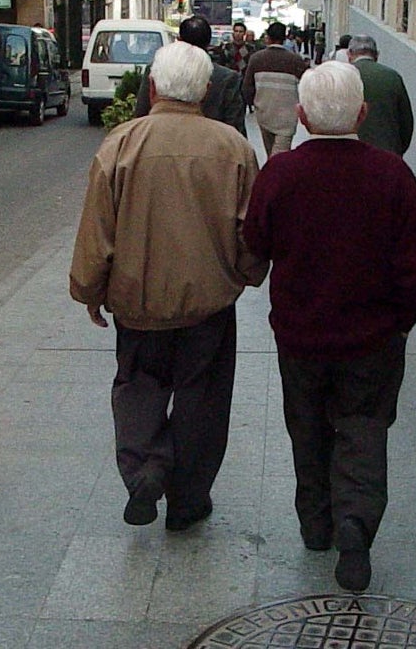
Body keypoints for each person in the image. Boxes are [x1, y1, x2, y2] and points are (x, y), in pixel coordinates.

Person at [244, 61, 416, 592]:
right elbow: (412, 269)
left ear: (301, 116)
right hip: (372, 339)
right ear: (364, 113)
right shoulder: (393, 175)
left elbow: (256, 242)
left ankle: (316, 524)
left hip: (301, 336)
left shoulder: (280, 174)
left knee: (307, 428)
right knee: (364, 429)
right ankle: (356, 522)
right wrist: (399, 324)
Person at [69, 41, 268, 532]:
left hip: (138, 302)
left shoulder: (120, 144)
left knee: (138, 386)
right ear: (203, 90)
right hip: (208, 304)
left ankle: (145, 470)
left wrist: (90, 289)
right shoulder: (233, 148)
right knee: (203, 397)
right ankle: (188, 499)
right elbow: (251, 231)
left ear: (153, 86)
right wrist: (246, 272)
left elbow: (98, 230)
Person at [134, 15, 246, 135]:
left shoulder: (156, 69)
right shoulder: (226, 78)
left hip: (160, 140)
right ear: (208, 43)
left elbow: (141, 112)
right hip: (211, 145)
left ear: (179, 39)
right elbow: (235, 126)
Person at [241, 21, 309, 159]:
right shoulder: (295, 60)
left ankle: (274, 177)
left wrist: (253, 103)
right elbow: (308, 84)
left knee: (271, 154)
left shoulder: (256, 59)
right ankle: (276, 177)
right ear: (284, 38)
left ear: (268, 37)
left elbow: (247, 87)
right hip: (287, 118)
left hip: (264, 113)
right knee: (279, 157)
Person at [348, 35, 414, 157]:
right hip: (387, 154)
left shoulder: (342, 77)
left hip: (350, 155)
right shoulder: (393, 77)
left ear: (349, 54)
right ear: (377, 55)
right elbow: (406, 122)